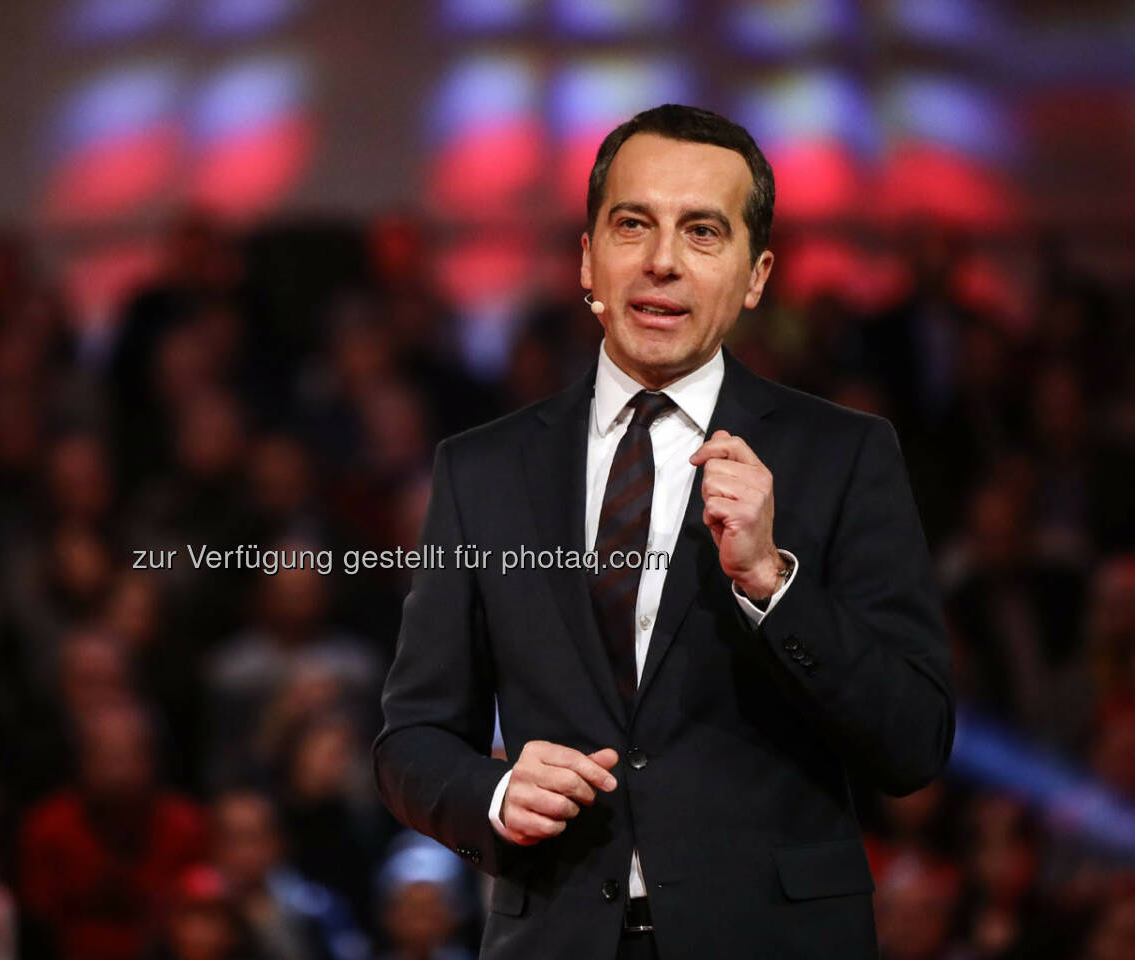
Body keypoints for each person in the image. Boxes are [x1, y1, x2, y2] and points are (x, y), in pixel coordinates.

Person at [372, 104, 955, 959]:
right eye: (633, 223)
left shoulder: (843, 455)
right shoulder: (483, 470)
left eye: (703, 232)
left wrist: (772, 582)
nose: (661, 262)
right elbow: (411, 741)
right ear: (587, 258)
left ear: (756, 276)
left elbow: (913, 742)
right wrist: (494, 797)